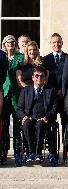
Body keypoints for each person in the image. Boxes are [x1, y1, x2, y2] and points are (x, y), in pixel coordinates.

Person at [16, 66, 57, 162]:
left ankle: (38, 153)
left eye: (42, 76)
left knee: (40, 124)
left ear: (45, 78)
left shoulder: (51, 91)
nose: (39, 78)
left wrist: (46, 117)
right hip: (29, 118)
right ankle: (30, 152)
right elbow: (19, 108)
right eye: (37, 76)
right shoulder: (25, 90)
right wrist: (24, 117)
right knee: (26, 124)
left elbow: (54, 109)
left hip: (43, 119)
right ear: (32, 78)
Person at [1, 35, 24, 166]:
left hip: (16, 95)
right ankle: (3, 151)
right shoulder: (1, 57)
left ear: (15, 44)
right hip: (4, 94)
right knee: (3, 125)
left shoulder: (20, 57)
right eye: (7, 42)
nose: (10, 44)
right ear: (4, 44)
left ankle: (17, 152)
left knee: (17, 125)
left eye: (12, 42)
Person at [43, 33, 68, 140]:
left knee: (66, 122)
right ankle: (53, 150)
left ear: (62, 43)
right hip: (50, 96)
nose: (56, 44)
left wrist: (63, 91)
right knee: (51, 122)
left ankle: (67, 149)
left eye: (58, 42)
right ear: (50, 43)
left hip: (65, 95)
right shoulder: (45, 59)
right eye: (54, 42)